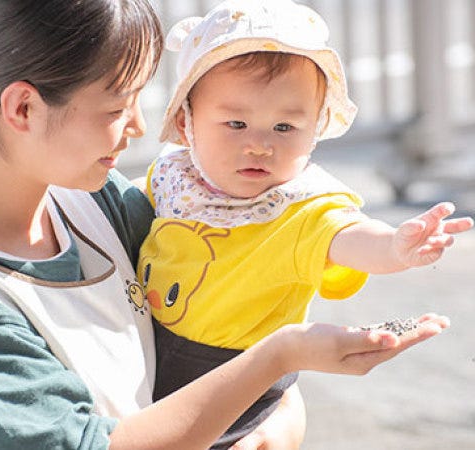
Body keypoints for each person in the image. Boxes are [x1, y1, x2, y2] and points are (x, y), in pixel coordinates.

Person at [0, 0, 451, 449]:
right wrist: (279, 358)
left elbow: (232, 325)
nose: (138, 126)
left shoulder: (97, 205)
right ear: (22, 108)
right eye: (116, 107)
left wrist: (275, 413)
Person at [137, 0, 474, 448]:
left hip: (240, 383)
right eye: (236, 123)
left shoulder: (300, 207)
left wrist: (395, 245)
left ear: (315, 130)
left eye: (284, 127)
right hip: (147, 351)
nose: (259, 145)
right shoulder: (172, 178)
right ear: (186, 123)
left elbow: (347, 235)